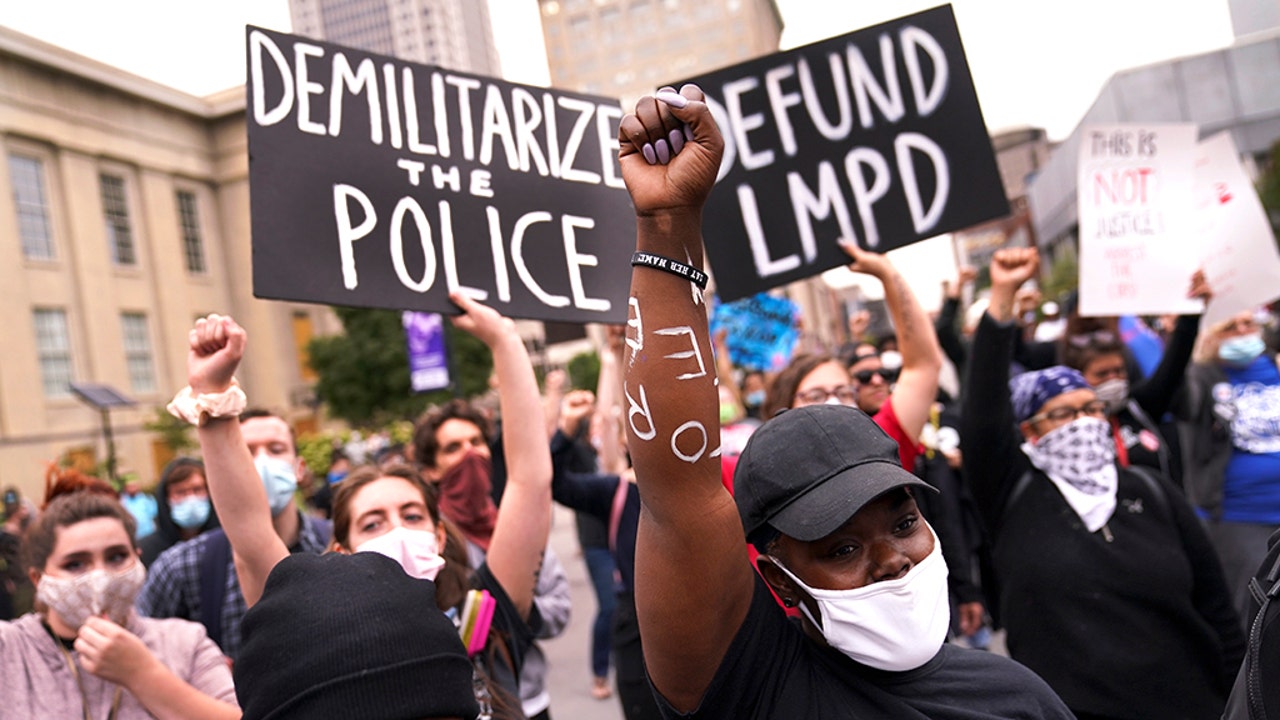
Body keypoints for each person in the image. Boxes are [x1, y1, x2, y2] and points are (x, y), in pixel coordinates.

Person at [617, 84, 1072, 718]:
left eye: (904, 523)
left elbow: (923, 366)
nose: (891, 560)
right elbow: (678, 488)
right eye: (841, 549)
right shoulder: (756, 691)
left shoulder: (1018, 696)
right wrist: (667, 224)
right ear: (779, 580)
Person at [183, 295, 551, 719]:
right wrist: (214, 397)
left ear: (439, 534)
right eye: (373, 524)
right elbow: (250, 534)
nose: (397, 530)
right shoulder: (313, 628)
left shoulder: (485, 616)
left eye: (412, 516)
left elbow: (529, 482)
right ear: (341, 549)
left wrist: (505, 340)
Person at [962, 246, 1246, 719]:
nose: (1084, 422)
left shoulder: (1151, 492)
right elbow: (983, 416)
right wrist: (1003, 299)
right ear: (1028, 432)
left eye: (1091, 409)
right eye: (1063, 414)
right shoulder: (1013, 497)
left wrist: (1241, 700)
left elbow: (1218, 611)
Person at [0, 467, 238, 719]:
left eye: (116, 557)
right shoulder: (9, 649)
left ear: (137, 558)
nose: (100, 577)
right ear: (38, 578)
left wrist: (142, 675)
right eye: (75, 564)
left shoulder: (185, 643)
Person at [413, 395, 571, 720]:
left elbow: (559, 606)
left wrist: (515, 609)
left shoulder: (515, 526)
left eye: (476, 442)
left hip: (529, 699)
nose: (470, 454)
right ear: (431, 470)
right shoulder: (426, 542)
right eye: (453, 448)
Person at [136, 411, 331, 660]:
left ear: (299, 468)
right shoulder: (181, 567)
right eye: (246, 452)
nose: (261, 463)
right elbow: (142, 651)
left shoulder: (339, 544)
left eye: (276, 449)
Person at [1178, 309, 1280, 618]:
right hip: (1240, 513)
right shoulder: (1200, 376)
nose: (1242, 331)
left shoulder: (1273, 364)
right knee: (1257, 610)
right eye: (1230, 326)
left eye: (1247, 323)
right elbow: (1175, 396)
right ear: (1211, 336)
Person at [139, 457, 220, 567]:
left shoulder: (226, 543)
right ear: (166, 499)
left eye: (197, 489)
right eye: (180, 492)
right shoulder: (148, 550)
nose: (191, 499)